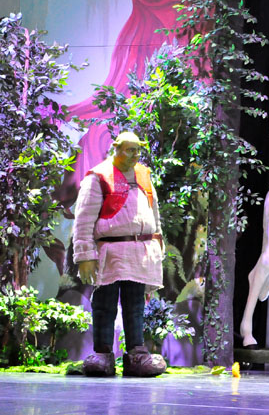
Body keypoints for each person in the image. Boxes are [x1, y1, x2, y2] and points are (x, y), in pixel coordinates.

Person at [73, 131, 167, 377]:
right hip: (110, 253)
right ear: (116, 148)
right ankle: (103, 354)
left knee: (135, 304)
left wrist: (157, 244)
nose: (135, 155)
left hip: (139, 253)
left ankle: (136, 354)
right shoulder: (99, 176)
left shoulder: (143, 175)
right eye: (130, 150)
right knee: (104, 304)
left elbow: (154, 213)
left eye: (138, 150)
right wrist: (85, 256)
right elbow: (83, 219)